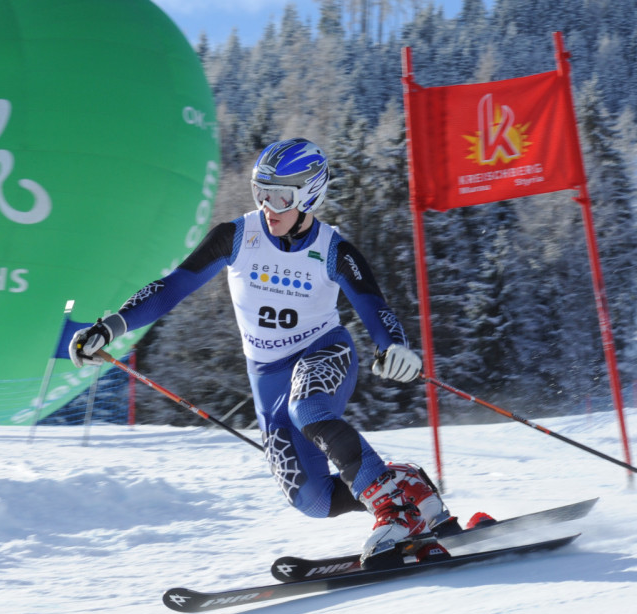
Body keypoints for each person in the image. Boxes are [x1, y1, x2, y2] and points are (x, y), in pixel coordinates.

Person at [69, 138, 457, 566]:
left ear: (309, 194)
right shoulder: (236, 237)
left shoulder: (333, 249)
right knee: (312, 499)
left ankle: (394, 511)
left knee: (307, 407)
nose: (268, 205)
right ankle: (406, 486)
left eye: (280, 195)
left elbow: (373, 305)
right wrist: (110, 327)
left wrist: (394, 348)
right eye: (261, 192)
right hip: (266, 375)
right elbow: (172, 286)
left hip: (323, 352)